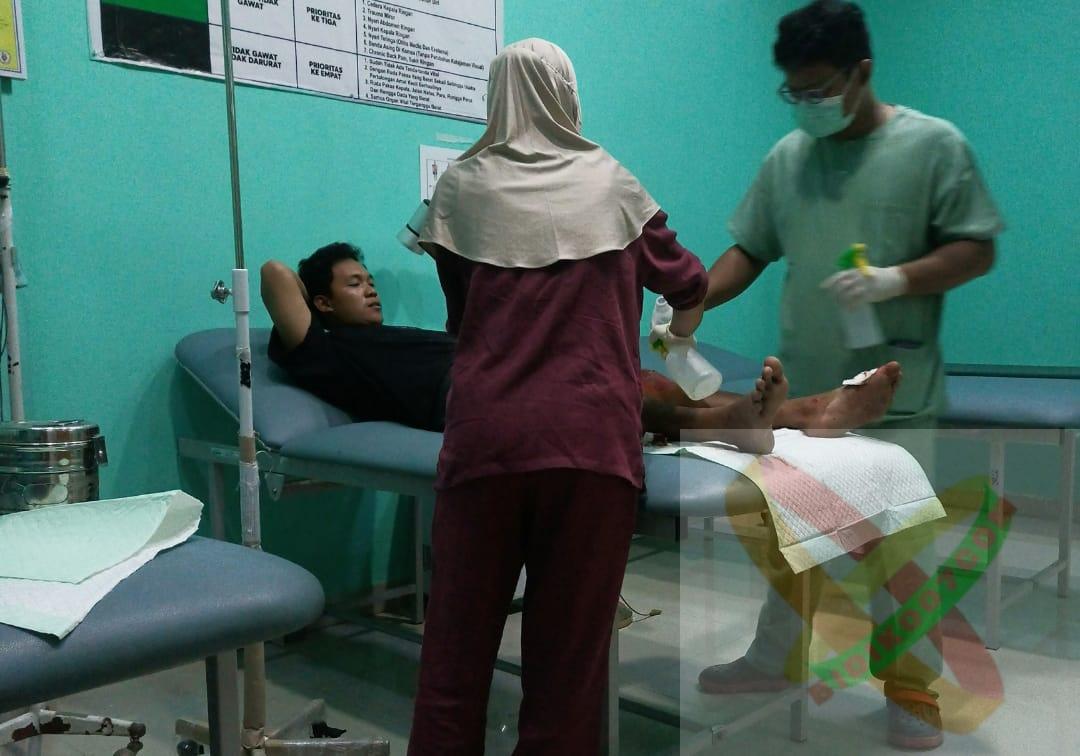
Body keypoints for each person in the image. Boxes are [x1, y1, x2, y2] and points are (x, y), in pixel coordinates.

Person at [697, 1, 1003, 749]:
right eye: (794, 91)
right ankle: (775, 657)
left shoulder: (933, 146)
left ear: (862, 72)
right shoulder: (788, 158)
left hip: (893, 388)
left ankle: (912, 690)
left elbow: (976, 247)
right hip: (802, 395)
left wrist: (897, 279)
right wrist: (690, 300)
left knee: (897, 549)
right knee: (788, 529)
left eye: (819, 88)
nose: (807, 104)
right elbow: (751, 248)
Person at [260, 244, 901, 447]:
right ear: (321, 305)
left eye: (370, 280)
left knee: (639, 381)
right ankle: (750, 421)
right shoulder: (323, 349)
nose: (371, 290)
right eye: (353, 284)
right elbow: (273, 274)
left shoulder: (393, 339)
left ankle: (797, 411)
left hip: (493, 370)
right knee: (609, 389)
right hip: (470, 398)